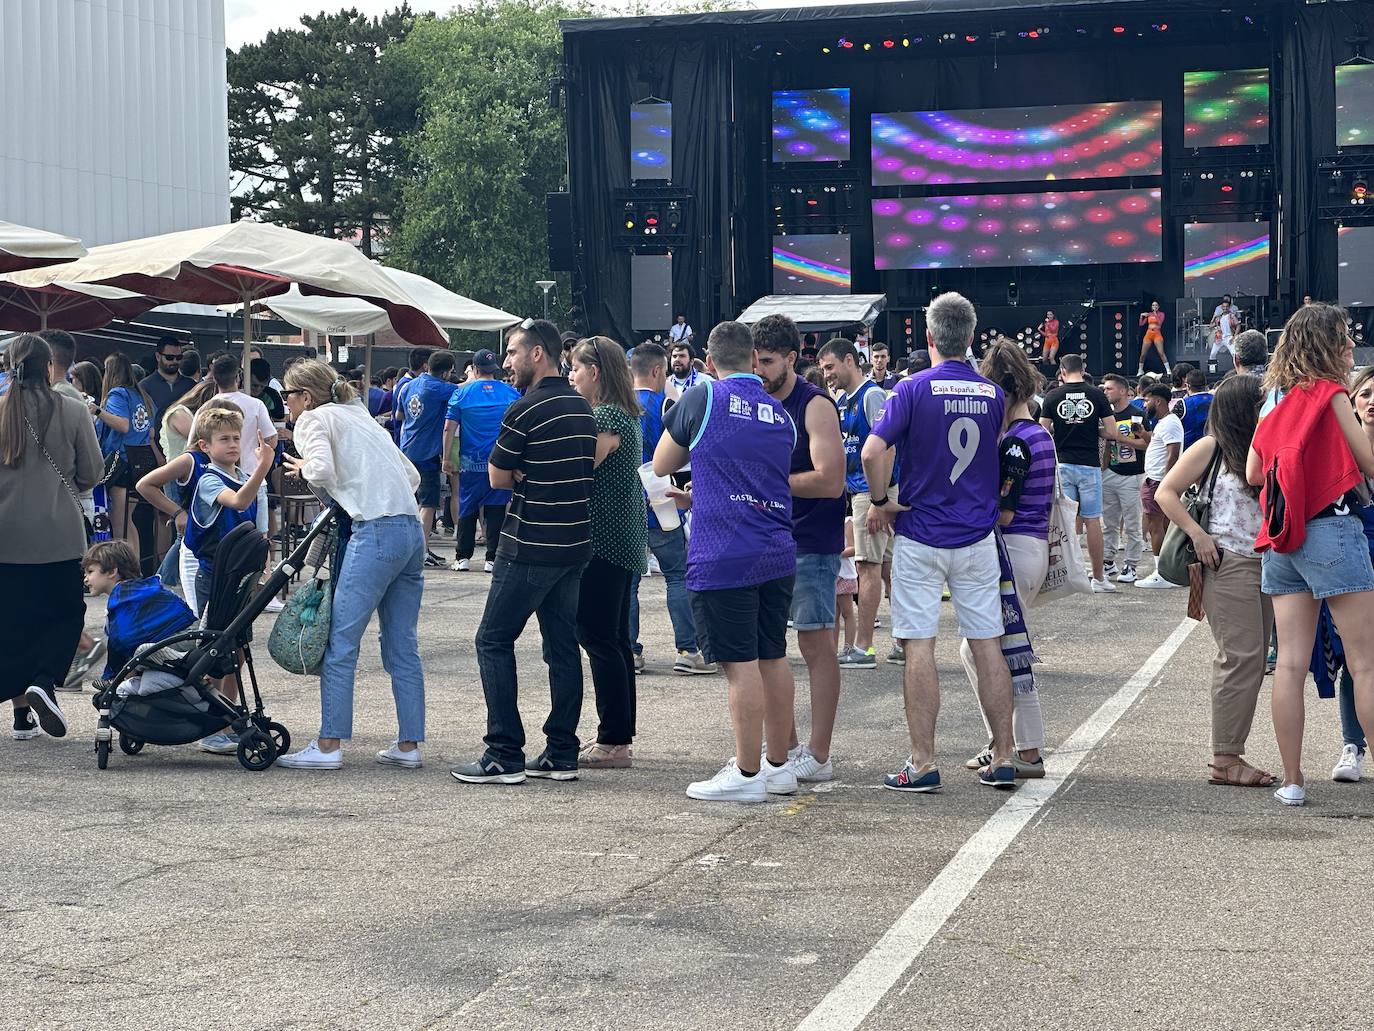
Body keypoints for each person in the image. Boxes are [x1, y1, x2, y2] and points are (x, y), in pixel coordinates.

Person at [861, 291, 1018, 792]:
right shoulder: (994, 394)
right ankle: (1006, 753)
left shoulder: (909, 389)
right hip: (976, 535)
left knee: (919, 646)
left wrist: (882, 499)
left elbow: (872, 451)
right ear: (971, 339)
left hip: (922, 533)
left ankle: (924, 761)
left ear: (929, 337)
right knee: (987, 644)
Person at [654, 320, 799, 803]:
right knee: (772, 656)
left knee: (740, 666)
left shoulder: (704, 397)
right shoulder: (780, 414)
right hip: (776, 548)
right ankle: (779, 766)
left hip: (724, 551)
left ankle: (745, 771)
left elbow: (661, 463)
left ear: (709, 363)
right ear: (755, 360)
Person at [452, 320, 598, 785]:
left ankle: (503, 752)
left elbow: (497, 476)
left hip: (530, 542)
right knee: (562, 648)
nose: (507, 362)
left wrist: (520, 475)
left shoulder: (525, 408)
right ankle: (562, 750)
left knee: (492, 640)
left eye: (513, 352)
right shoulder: (581, 405)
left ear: (538, 354)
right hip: (573, 543)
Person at [1248, 303, 1374, 806]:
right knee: (1365, 663)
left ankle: (1293, 780)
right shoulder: (1333, 394)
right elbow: (1368, 464)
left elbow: (1257, 473)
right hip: (1333, 530)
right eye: (1344, 338)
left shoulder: (1274, 402)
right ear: (1327, 345)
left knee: (1292, 665)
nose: (1349, 347)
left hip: (1283, 537)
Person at [275, 360, 427, 771]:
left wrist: (305, 467)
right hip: (411, 530)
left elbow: (322, 469)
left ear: (305, 397)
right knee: (402, 644)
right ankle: (409, 743)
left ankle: (329, 745)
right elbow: (411, 475)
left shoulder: (312, 421)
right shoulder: (358, 415)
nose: (284, 403)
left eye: (287, 395)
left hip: (374, 531)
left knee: (341, 642)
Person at [1156, 375, 1275, 788]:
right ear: (1243, 407)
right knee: (1240, 657)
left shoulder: (1258, 449)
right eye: (1261, 400)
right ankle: (1225, 758)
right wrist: (1198, 534)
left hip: (1265, 561)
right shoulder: (1212, 447)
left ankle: (1230, 753)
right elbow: (1166, 492)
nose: (1268, 405)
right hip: (1226, 562)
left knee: (1255, 659)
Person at [753, 314, 847, 784]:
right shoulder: (754, 399)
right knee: (768, 648)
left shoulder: (815, 404)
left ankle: (819, 753)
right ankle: (786, 748)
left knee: (815, 644)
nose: (760, 372)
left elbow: (830, 481)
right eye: (755, 363)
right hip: (766, 537)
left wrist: (764, 485)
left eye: (768, 362)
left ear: (792, 358)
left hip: (810, 540)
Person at [958, 339, 1057, 779]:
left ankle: (1019, 747)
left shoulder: (1015, 442)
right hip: (1029, 548)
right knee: (1001, 648)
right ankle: (1013, 743)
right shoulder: (1037, 434)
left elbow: (1004, 510)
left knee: (993, 650)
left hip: (1014, 547)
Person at [0, 334, 103, 741]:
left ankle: (22, 718)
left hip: (5, 540)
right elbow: (90, 474)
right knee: (63, 616)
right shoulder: (73, 410)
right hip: (59, 535)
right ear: (49, 367)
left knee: (13, 625)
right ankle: (44, 680)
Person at [567, 337, 647, 769]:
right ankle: (620, 735)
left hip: (605, 541)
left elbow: (582, 468)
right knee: (612, 639)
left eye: (576, 369)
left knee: (598, 637)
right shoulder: (626, 413)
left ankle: (614, 740)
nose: (571, 376)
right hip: (622, 538)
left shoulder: (606, 415)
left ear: (594, 372)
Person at [626, 342, 713, 675]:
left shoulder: (617, 405)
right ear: (658, 371)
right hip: (662, 498)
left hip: (627, 506)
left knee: (630, 583)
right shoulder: (665, 404)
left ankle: (630, 650)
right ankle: (687, 649)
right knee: (677, 576)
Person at [819, 337, 893, 668]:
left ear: (850, 360)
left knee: (868, 567)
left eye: (830, 367)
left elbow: (887, 446)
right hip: (861, 493)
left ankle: (863, 647)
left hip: (870, 492)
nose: (827, 374)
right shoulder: (844, 400)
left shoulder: (871, 395)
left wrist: (879, 498)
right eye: (822, 369)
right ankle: (904, 642)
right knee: (886, 567)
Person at [1040, 355, 1142, 593]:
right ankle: (1098, 578)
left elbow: (1043, 431)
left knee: (1063, 521)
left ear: (1062, 371)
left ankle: (1063, 574)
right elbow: (1112, 431)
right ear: (1083, 369)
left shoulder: (1053, 395)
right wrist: (1088, 427)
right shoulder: (1097, 394)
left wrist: (1062, 426)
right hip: (1089, 465)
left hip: (1063, 464)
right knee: (1092, 520)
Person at [1325, 366, 1374, 783]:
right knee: (1354, 662)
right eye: (1366, 394)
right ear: (1352, 402)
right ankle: (1352, 745)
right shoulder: (1338, 449)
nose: (1373, 401)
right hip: (1350, 563)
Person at [82, 540, 198, 698]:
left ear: (111, 572)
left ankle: (127, 677)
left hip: (180, 642)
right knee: (143, 672)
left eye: (90, 572)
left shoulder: (123, 597)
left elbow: (121, 640)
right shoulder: (137, 590)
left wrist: (113, 676)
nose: (86, 579)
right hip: (192, 635)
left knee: (138, 654)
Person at [442, 349, 519, 573]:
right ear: (494, 369)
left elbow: (449, 428)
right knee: (496, 508)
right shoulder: (511, 394)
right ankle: (493, 558)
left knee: (468, 506)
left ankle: (463, 557)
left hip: (470, 462)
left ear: (475, 369)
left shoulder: (462, 395)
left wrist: (447, 458)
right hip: (500, 461)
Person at [395, 349, 456, 567]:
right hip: (427, 452)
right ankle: (421, 552)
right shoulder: (440, 387)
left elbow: (399, 416)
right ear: (447, 372)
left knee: (411, 504)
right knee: (428, 505)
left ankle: (415, 550)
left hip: (406, 450)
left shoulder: (407, 386)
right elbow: (464, 392)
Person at [1136, 384, 1185, 589]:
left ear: (1158, 401)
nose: (1145, 404)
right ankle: (1166, 570)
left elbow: (1173, 454)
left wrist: (1165, 482)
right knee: (1161, 525)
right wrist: (1142, 434)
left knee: (1156, 526)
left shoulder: (1170, 423)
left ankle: (1161, 573)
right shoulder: (1164, 422)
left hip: (1158, 481)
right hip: (1157, 480)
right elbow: (1157, 446)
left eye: (1147, 400)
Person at [1100, 373, 1147, 585]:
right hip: (1110, 472)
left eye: (1109, 388)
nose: (1105, 392)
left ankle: (1132, 564)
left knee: (1132, 523)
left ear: (1122, 391)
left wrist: (1118, 437)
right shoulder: (1107, 415)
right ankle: (1108, 561)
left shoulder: (1137, 414)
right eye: (1104, 388)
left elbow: (1146, 443)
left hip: (1132, 474)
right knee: (1109, 523)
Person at [138, 336, 194, 426]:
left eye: (179, 357)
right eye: (169, 357)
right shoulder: (144, 386)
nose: (175, 361)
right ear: (158, 356)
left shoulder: (191, 385)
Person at [1174, 368, 1214, 450]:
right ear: (1206, 384)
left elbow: (1170, 423)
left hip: (1189, 450)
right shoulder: (1218, 399)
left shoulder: (1182, 404)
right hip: (1214, 449)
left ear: (1187, 386)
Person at [1137, 301, 1169, 375]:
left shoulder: (1161, 314)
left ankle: (1168, 370)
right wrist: (1141, 316)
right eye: (1153, 305)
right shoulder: (1149, 314)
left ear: (1158, 307)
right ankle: (1140, 370)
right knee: (1143, 354)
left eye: (1156, 305)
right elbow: (1141, 324)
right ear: (1151, 307)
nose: (1155, 306)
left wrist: (1155, 314)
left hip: (1157, 334)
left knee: (1161, 352)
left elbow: (1159, 322)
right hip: (1149, 334)